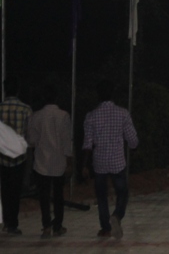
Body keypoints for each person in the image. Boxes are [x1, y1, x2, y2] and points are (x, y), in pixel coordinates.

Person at [82, 80, 138, 239]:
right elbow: (132, 139)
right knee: (123, 192)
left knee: (101, 195)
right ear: (112, 94)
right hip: (117, 161)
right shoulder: (123, 113)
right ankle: (117, 215)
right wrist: (134, 147)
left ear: (98, 95)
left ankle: (105, 228)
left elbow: (87, 144)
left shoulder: (91, 116)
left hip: (99, 161)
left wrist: (84, 165)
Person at [25, 85, 73, 237]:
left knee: (44, 196)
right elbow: (67, 140)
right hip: (58, 161)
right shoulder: (64, 115)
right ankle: (58, 226)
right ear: (56, 97)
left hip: (41, 162)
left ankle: (46, 225)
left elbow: (31, 141)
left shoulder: (36, 116)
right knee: (58, 195)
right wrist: (69, 161)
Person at [0, 78, 32, 235]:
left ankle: (5, 221)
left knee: (4, 191)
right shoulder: (26, 109)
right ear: (18, 90)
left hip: (2, 157)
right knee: (15, 191)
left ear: (5, 90)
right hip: (19, 157)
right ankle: (12, 223)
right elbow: (29, 134)